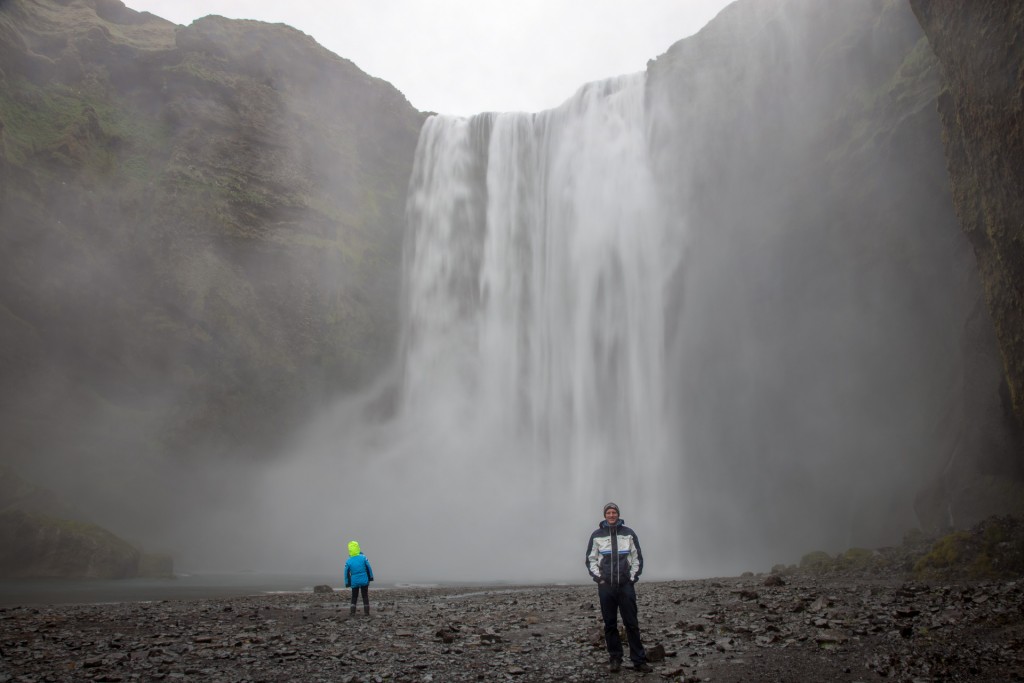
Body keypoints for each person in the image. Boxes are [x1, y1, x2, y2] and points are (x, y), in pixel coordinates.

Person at [585, 502, 653, 674]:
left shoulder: (629, 534)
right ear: (604, 515)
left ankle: (638, 660)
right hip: (606, 586)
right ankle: (615, 658)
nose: (611, 515)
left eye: (614, 512)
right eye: (608, 512)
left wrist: (632, 579)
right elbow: (591, 559)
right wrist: (599, 579)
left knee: (632, 623)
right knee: (610, 624)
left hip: (625, 586)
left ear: (618, 514)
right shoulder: (597, 535)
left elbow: (637, 557)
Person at [344, 540, 373, 616]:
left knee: (354, 596)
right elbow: (369, 567)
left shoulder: (348, 560)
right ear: (358, 548)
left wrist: (347, 582)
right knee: (365, 595)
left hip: (354, 581)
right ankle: (366, 612)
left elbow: (346, 572)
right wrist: (371, 577)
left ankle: (352, 612)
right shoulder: (363, 557)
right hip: (364, 579)